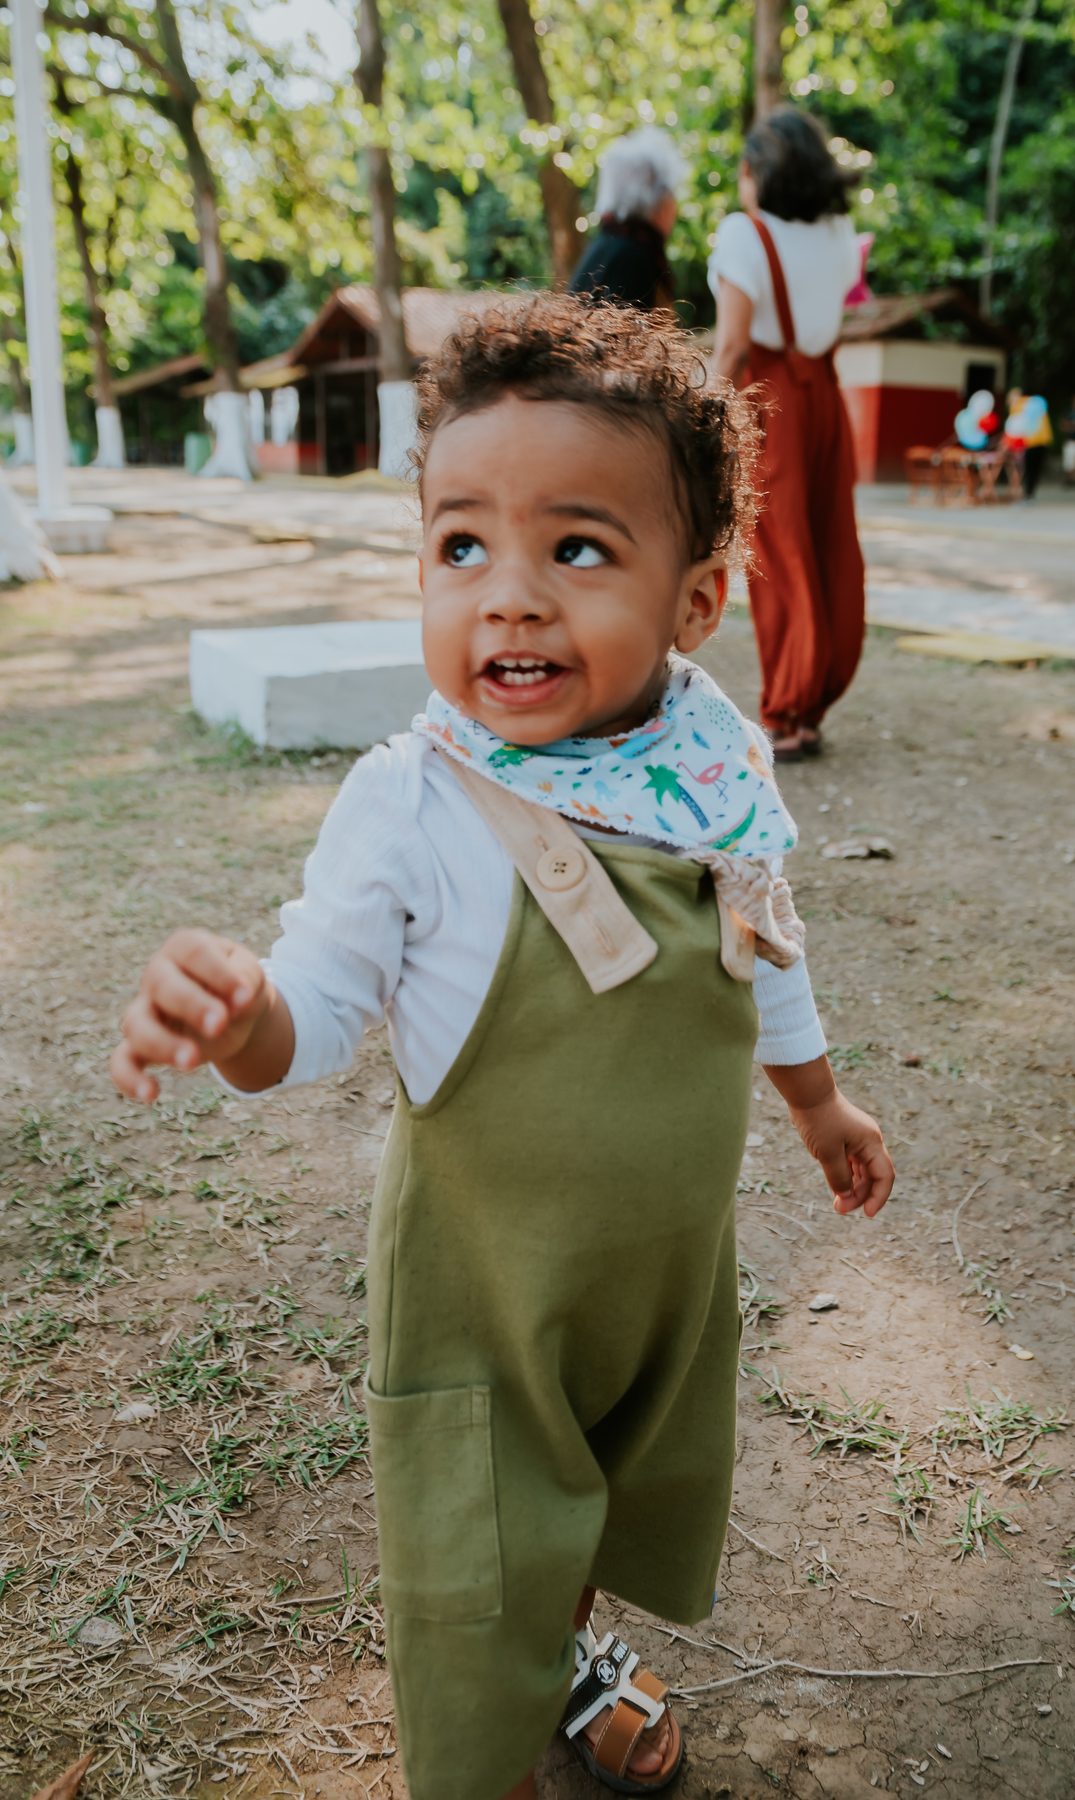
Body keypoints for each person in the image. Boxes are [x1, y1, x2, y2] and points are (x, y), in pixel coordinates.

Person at [109, 296, 894, 1800]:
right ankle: (496, 1743)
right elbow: (322, 1005)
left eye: (578, 548)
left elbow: (763, 942)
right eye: (462, 546)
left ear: (698, 599)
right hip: (487, 1303)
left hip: (655, 1287)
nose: (510, 598)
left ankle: (567, 1652)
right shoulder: (412, 802)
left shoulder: (712, 770)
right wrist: (247, 1014)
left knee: (589, 1510)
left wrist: (817, 1098)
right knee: (481, 1563)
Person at [709, 107, 864, 760]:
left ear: (755, 170)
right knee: (829, 546)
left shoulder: (744, 234)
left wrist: (704, 417)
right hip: (827, 399)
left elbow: (733, 346)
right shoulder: (839, 232)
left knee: (780, 555)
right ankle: (814, 699)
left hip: (771, 401)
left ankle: (786, 711)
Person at [569, 128, 684, 312]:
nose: (675, 206)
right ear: (657, 199)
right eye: (670, 193)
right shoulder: (633, 259)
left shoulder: (609, 243)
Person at [1003, 387, 1053, 500]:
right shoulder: (1033, 403)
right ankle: (1029, 494)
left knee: (1029, 470)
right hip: (1043, 440)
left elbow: (1015, 430)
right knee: (1034, 470)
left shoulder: (1020, 406)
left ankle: (1027, 495)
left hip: (1031, 442)